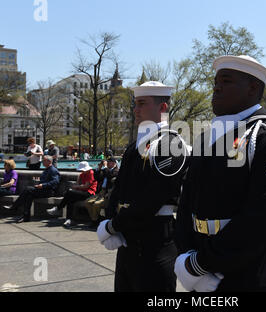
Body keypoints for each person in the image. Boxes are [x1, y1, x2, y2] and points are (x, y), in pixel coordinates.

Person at [174, 55, 266, 292]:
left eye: (227, 81)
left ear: (252, 88)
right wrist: (186, 254)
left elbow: (263, 217)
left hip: (250, 273)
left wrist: (201, 263)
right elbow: (187, 200)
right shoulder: (208, 136)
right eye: (216, 82)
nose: (216, 87)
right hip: (199, 262)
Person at [96, 81, 190, 292]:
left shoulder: (171, 145)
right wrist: (110, 220)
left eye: (142, 103)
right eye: (135, 104)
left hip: (155, 242)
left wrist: (113, 226)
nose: (135, 110)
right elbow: (119, 189)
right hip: (128, 241)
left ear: (162, 107)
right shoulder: (135, 146)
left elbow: (152, 199)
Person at [4, 156, 60, 223]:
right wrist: (39, 184)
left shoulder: (53, 170)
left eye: (44, 160)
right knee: (28, 196)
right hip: (42, 190)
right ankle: (25, 217)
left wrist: (43, 185)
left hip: (48, 191)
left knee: (28, 189)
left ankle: (14, 206)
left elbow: (55, 182)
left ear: (49, 161)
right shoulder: (47, 169)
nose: (42, 161)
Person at [46, 161, 97, 227]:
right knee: (70, 200)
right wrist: (76, 185)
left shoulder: (91, 173)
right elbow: (78, 184)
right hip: (82, 192)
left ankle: (58, 208)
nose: (82, 171)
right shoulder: (81, 174)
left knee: (69, 193)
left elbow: (86, 186)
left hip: (89, 193)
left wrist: (75, 187)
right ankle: (69, 219)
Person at [85, 157, 119, 228]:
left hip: (108, 194)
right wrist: (99, 168)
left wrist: (106, 167)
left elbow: (110, 175)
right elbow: (97, 177)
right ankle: (97, 219)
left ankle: (94, 221)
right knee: (87, 202)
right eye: (107, 162)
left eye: (109, 162)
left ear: (114, 163)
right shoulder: (105, 170)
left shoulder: (116, 171)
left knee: (96, 204)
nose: (108, 164)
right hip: (100, 192)